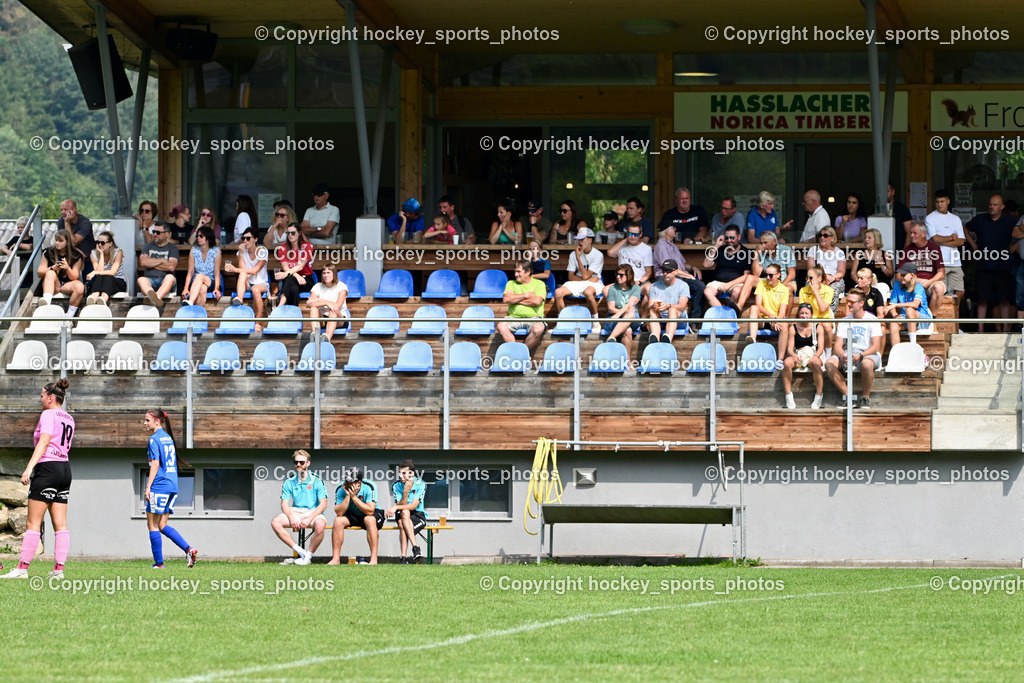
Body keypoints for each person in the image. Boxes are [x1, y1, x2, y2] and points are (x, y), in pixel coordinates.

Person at [1, 379, 74, 580]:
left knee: (33, 522)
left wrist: (29, 467)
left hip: (48, 468)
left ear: (50, 398)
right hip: (64, 469)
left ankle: (22, 569)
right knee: (61, 524)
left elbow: (44, 440)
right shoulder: (69, 418)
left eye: (42, 396)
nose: (40, 399)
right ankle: (58, 571)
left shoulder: (48, 414)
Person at [142, 409, 198, 569]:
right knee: (162, 525)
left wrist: (148, 486)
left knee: (152, 525)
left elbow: (155, 464)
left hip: (160, 485)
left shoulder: (154, 439)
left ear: (157, 421)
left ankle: (159, 564)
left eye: (147, 420)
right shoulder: (168, 438)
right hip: (173, 485)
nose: (145, 423)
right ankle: (189, 549)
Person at [824, 289, 882, 409]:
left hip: (867, 353)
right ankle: (848, 396)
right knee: (829, 363)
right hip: (848, 352)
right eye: (848, 301)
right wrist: (842, 355)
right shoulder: (844, 321)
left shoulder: (872, 320)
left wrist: (860, 356)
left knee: (866, 364)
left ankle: (865, 397)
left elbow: (876, 346)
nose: (849, 304)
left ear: (861, 303)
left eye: (852, 302)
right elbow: (838, 345)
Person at [965, 194, 1015, 332]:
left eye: (995, 205)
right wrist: (974, 245)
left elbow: (1021, 232)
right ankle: (980, 329)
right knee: (982, 299)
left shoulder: (1010, 220)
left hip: (1003, 266)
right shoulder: (980, 219)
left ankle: (1006, 329)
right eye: (990, 204)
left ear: (1002, 207)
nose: (991, 207)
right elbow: (965, 228)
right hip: (984, 266)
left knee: (1004, 299)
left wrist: (1014, 246)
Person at [271, 450, 327, 566]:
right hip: (295, 511)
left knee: (321, 525)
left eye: (301, 462)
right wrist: (291, 517)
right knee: (275, 522)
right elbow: (284, 504)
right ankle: (301, 552)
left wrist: (308, 519)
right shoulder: (289, 481)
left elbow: (323, 504)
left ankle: (308, 556)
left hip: (313, 512)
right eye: (296, 462)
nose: (298, 465)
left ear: (308, 463)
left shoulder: (317, 480)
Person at [328, 471, 385, 565]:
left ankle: (374, 559)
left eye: (349, 481)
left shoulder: (369, 486)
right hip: (352, 514)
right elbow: (339, 513)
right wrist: (348, 496)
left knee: (369, 519)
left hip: (369, 514)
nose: (346, 483)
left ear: (358, 482)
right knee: (338, 521)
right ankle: (335, 559)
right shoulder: (341, 488)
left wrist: (354, 497)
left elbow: (370, 511)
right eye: (346, 480)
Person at [554, 227, 604, 332]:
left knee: (588, 292)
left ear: (590, 240)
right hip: (581, 281)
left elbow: (585, 275)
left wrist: (578, 259)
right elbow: (571, 276)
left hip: (595, 283)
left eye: (582, 239)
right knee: (558, 292)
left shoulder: (598, 255)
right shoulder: (573, 254)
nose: (579, 242)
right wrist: (577, 257)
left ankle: (595, 322)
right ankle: (562, 322)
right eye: (578, 239)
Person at [651, 223, 705, 318]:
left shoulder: (672, 245)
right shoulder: (661, 246)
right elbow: (669, 269)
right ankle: (688, 318)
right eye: (673, 228)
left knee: (700, 286)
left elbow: (682, 264)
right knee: (697, 285)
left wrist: (693, 267)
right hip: (666, 277)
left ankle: (694, 319)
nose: (675, 229)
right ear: (667, 232)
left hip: (678, 276)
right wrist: (689, 275)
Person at [496, 259, 547, 354]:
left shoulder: (539, 284)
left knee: (538, 328)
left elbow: (537, 301)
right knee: (501, 326)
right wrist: (526, 295)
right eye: (515, 271)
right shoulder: (511, 283)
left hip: (534, 318)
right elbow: (506, 299)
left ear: (528, 272)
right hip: (513, 317)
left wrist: (515, 300)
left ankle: (521, 353)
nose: (516, 274)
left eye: (519, 272)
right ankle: (516, 353)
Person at [736, 231, 796, 311]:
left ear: (774, 242)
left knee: (788, 289)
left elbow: (792, 274)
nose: (763, 245)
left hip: (784, 281)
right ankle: (738, 307)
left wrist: (779, 287)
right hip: (768, 281)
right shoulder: (761, 252)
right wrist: (756, 254)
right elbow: (756, 274)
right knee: (750, 278)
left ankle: (785, 318)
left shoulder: (786, 250)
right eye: (761, 243)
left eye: (765, 243)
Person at [780, 303, 825, 410]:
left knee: (817, 364)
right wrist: (794, 355)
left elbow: (821, 347)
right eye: (802, 313)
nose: (804, 316)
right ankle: (788, 395)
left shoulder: (818, 327)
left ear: (811, 315)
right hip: (799, 354)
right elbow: (790, 348)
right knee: (787, 363)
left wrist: (816, 356)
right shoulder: (793, 328)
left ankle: (819, 395)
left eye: (806, 313)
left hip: (812, 354)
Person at [924, 189, 965, 306]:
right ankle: (941, 316)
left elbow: (961, 241)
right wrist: (952, 237)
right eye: (937, 202)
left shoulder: (955, 219)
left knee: (960, 291)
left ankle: (954, 315)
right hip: (939, 261)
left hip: (955, 261)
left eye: (942, 201)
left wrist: (943, 242)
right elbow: (935, 239)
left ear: (948, 201)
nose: (939, 204)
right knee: (941, 291)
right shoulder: (930, 218)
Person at [225, 227, 269, 329]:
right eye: (243, 238)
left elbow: (255, 271)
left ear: (256, 239)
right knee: (243, 274)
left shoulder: (262, 251)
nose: (245, 241)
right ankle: (240, 298)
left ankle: (258, 323)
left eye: (248, 238)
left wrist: (235, 269)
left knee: (255, 290)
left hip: (261, 283)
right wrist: (240, 254)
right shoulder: (241, 252)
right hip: (247, 283)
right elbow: (242, 269)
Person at [898, 221, 946, 313]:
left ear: (924, 234)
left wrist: (929, 282)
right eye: (911, 233)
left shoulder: (934, 248)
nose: (911, 235)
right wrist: (914, 280)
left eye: (915, 233)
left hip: (930, 282)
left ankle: (931, 318)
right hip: (912, 283)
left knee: (939, 287)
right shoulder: (907, 250)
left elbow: (941, 273)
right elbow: (898, 275)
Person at [881, 261, 932, 348]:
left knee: (909, 310)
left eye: (904, 275)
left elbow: (915, 304)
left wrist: (896, 305)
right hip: (906, 317)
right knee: (893, 324)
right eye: (900, 275)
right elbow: (892, 304)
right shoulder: (897, 285)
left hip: (922, 319)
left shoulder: (918, 286)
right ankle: (896, 352)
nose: (901, 277)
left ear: (912, 275)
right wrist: (895, 315)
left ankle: (913, 345)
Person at [386, 459, 428, 564]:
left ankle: (403, 558)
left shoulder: (421, 484)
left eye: (404, 473)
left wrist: (395, 507)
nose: (401, 476)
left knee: (402, 524)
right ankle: (415, 548)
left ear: (412, 474)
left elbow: (413, 506)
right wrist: (405, 491)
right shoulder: (396, 485)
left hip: (417, 515)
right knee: (404, 512)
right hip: (403, 512)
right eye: (400, 473)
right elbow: (401, 504)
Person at [702, 226, 751, 312]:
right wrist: (716, 245)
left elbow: (746, 276)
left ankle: (730, 314)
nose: (729, 240)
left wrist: (728, 285)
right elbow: (706, 264)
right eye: (726, 238)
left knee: (737, 291)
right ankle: (724, 314)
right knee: (707, 292)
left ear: (739, 237)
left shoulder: (746, 252)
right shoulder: (720, 250)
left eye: (732, 238)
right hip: (718, 282)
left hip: (736, 283)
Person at [745, 263, 790, 356]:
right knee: (753, 308)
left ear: (778, 275)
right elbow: (758, 304)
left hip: (774, 321)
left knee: (785, 325)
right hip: (762, 319)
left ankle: (780, 359)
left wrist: (776, 320)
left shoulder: (784, 289)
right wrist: (770, 316)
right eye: (766, 274)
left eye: (771, 275)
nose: (768, 277)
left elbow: (782, 312)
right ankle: (752, 340)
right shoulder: (762, 283)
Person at [38, 228, 85, 318]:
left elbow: (74, 277)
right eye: (56, 240)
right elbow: (39, 273)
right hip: (52, 284)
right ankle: (46, 304)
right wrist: (53, 268)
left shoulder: (76, 255)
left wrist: (67, 268)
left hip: (67, 285)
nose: (57, 243)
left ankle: (69, 317)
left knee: (80, 287)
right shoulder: (48, 252)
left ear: (67, 242)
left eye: (60, 241)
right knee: (50, 273)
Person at [642, 259, 689, 344]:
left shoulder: (683, 286)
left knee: (672, 310)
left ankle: (668, 339)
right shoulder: (654, 286)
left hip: (679, 319)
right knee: (652, 311)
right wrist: (655, 305)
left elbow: (681, 307)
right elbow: (649, 306)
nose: (665, 273)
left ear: (676, 271)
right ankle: (655, 338)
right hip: (662, 318)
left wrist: (668, 306)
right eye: (663, 270)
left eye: (668, 271)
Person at [136, 222, 179, 308]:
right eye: (154, 231)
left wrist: (151, 263)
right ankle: (155, 299)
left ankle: (154, 300)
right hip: (150, 279)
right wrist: (163, 260)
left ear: (167, 234)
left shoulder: (172, 248)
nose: (155, 234)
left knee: (170, 277)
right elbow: (143, 262)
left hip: (165, 280)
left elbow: (171, 267)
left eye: (158, 232)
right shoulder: (147, 246)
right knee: (141, 280)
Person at [807, 226, 846, 314]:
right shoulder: (813, 250)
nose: (822, 237)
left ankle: (830, 316)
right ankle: (811, 314)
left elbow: (841, 272)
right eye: (820, 235)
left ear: (832, 238)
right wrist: (822, 277)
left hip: (834, 279)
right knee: (809, 288)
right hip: (816, 278)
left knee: (832, 290)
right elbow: (811, 269)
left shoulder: (839, 252)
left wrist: (832, 278)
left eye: (825, 235)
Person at [307, 263, 349, 341]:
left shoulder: (342, 286)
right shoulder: (317, 286)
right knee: (313, 308)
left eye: (328, 273)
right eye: (324, 273)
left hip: (339, 318)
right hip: (323, 319)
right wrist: (327, 303)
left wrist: (319, 300)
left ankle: (327, 340)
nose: (326, 275)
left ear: (334, 274)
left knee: (333, 310)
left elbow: (337, 306)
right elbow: (310, 303)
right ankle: (315, 336)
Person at [275, 224, 315, 307]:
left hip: (305, 279)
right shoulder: (282, 248)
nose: (290, 235)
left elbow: (301, 266)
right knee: (293, 288)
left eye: (293, 233)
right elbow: (285, 268)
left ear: (299, 233)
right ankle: (292, 311)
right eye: (288, 233)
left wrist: (287, 274)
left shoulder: (307, 246)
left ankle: (279, 306)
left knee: (289, 280)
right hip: (292, 278)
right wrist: (297, 276)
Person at [182, 226, 222, 308]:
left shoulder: (216, 251)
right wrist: (186, 288)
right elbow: (190, 271)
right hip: (195, 283)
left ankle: (190, 302)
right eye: (197, 236)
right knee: (203, 289)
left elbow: (217, 271)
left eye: (201, 236)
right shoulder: (194, 251)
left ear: (208, 238)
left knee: (199, 276)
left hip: (211, 281)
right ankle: (198, 313)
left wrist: (217, 288)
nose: (198, 238)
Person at [603, 265, 642, 348]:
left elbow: (630, 304)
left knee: (631, 314)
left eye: (621, 275)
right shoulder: (612, 288)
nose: (618, 277)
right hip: (616, 319)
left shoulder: (636, 288)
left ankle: (611, 337)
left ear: (628, 276)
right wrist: (625, 312)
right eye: (617, 274)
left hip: (631, 319)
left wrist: (618, 314)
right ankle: (627, 357)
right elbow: (611, 308)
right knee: (627, 330)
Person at [798, 266, 835, 349]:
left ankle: (828, 351)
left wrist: (816, 292)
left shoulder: (829, 290)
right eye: (807, 278)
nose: (808, 280)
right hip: (808, 319)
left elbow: (822, 309)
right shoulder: (803, 290)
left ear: (819, 278)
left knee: (827, 326)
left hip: (824, 319)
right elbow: (803, 309)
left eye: (811, 278)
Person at [85, 231, 125, 306]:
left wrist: (94, 272)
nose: (99, 245)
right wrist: (101, 254)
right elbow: (99, 272)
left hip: (117, 282)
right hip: (101, 282)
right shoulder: (93, 254)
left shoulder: (118, 252)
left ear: (110, 243)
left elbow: (112, 272)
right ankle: (93, 298)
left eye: (102, 243)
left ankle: (102, 300)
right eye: (98, 242)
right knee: (100, 277)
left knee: (108, 277)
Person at [60, 199, 95, 264]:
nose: (63, 212)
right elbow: (61, 240)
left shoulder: (85, 223)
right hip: (70, 257)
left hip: (86, 259)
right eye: (61, 210)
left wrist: (67, 223)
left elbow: (73, 242)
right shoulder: (61, 221)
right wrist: (77, 250)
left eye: (65, 209)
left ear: (74, 209)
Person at [886, 180, 913, 249]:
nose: (884, 194)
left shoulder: (902, 209)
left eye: (887, 191)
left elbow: (909, 232)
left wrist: (904, 252)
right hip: (880, 251)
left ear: (893, 192)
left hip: (899, 250)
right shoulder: (876, 209)